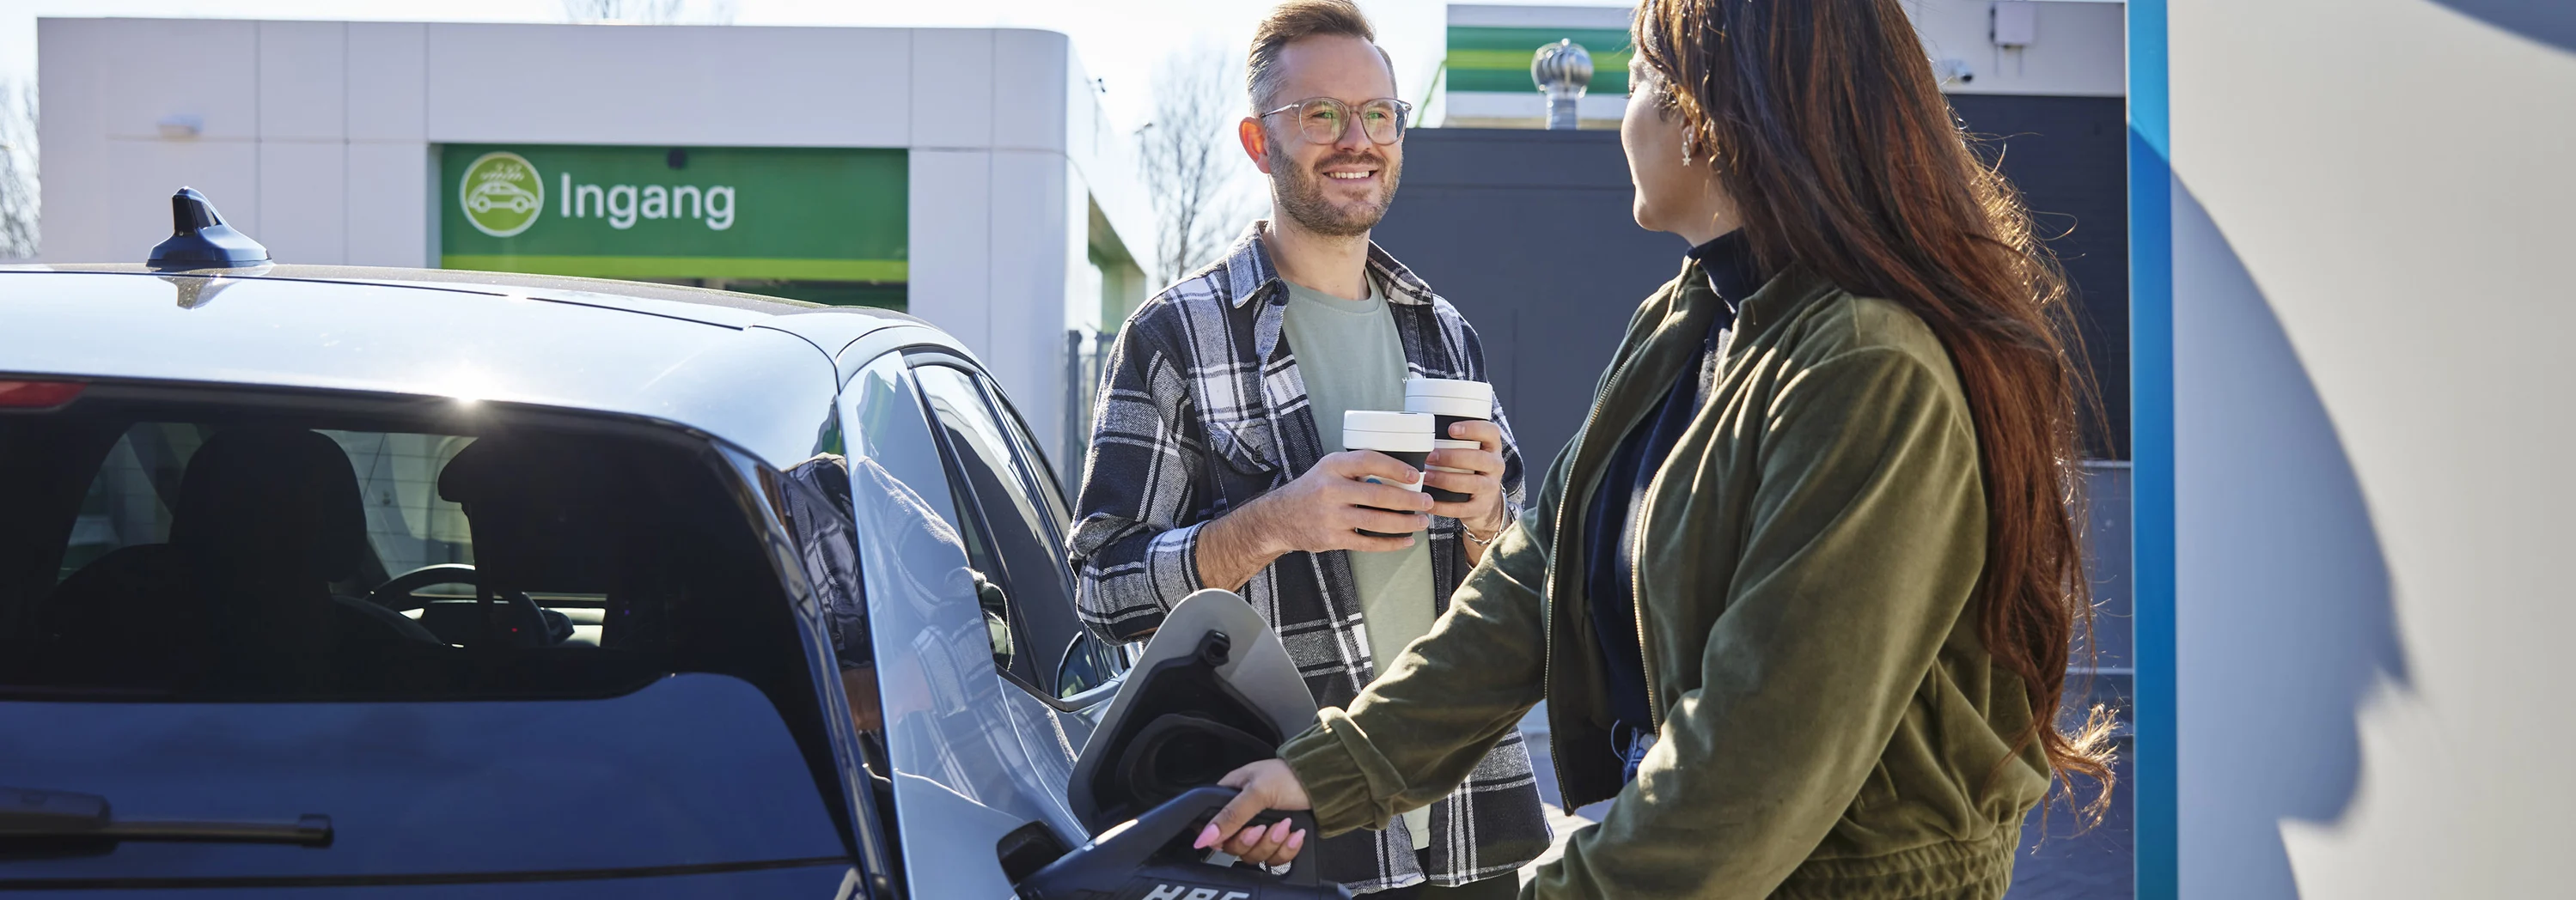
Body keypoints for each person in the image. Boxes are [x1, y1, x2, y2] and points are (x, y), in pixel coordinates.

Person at [1196, 0, 2120, 896]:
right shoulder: (1682, 322)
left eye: (1640, 79)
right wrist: (1330, 769)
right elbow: (1532, 579)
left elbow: (1757, 761)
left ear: (1713, 118)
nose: (1621, 109)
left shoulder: (1866, 366)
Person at [1065, 2, 1548, 895]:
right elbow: (1101, 588)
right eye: (1320, 114)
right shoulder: (1174, 336)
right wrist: (1273, 523)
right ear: (1258, 141)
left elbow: (1519, 579)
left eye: (1376, 114)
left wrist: (1488, 516)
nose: (1355, 138)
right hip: (1286, 829)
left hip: (1472, 817)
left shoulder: (1446, 335)